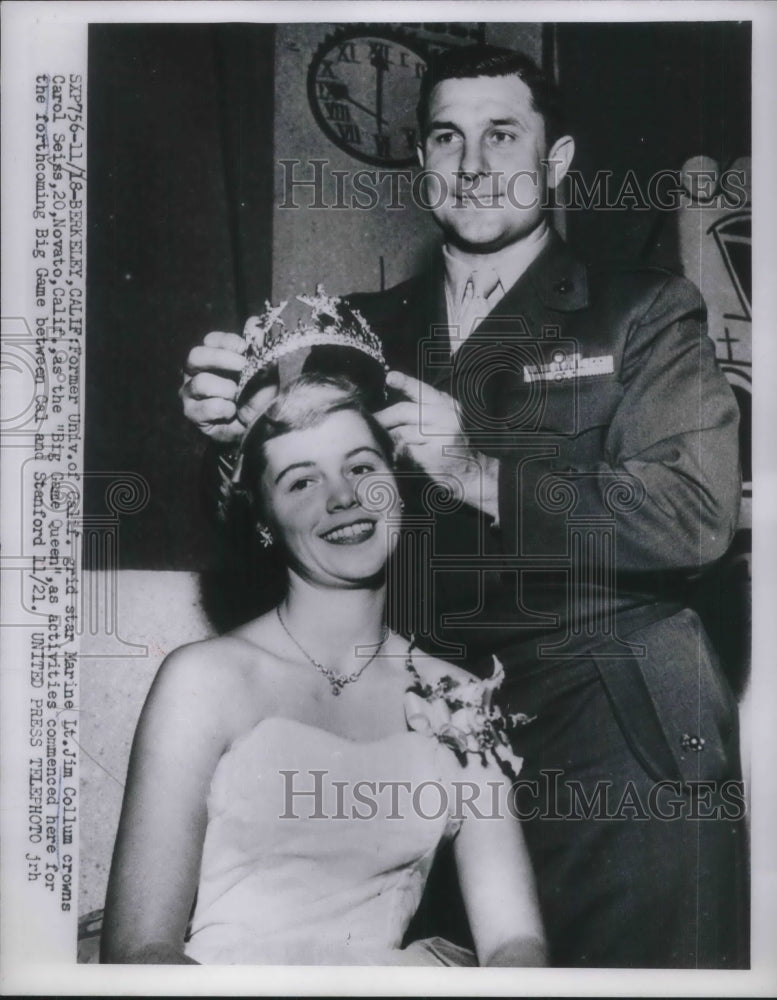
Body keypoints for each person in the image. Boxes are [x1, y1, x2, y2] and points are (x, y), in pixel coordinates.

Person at [180, 46, 747, 968]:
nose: (473, 164)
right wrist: (227, 426)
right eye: (447, 137)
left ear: (555, 162)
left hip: (617, 737)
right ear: (421, 161)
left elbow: (691, 514)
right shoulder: (360, 330)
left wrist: (477, 470)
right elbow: (289, 506)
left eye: (501, 135)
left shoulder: (642, 311)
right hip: (431, 746)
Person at [101, 373, 546, 967]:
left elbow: (516, 940)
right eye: (302, 481)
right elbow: (138, 949)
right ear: (263, 520)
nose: (343, 497)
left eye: (361, 467)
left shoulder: (459, 697)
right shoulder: (204, 679)